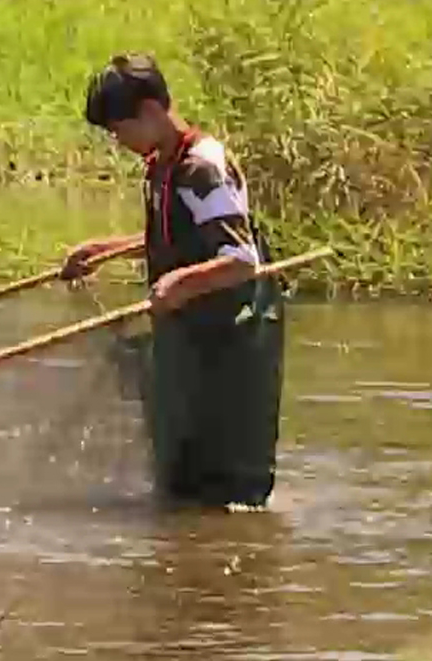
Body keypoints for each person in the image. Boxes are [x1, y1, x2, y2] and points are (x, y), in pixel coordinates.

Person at [61, 53, 284, 509]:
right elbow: (177, 238)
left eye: (119, 129)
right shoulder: (161, 163)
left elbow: (240, 259)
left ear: (150, 111)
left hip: (232, 339)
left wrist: (178, 284)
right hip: (190, 337)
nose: (118, 140)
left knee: (227, 487)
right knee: (181, 478)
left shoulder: (202, 167)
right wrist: (107, 249)